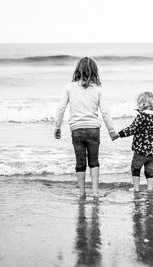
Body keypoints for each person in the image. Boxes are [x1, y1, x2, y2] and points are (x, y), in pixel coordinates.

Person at [54, 57, 118, 198]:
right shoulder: (98, 89)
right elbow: (105, 112)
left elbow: (61, 109)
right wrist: (112, 131)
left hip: (76, 130)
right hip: (93, 130)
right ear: (95, 71)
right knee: (94, 160)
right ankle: (95, 192)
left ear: (78, 70)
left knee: (80, 161)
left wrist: (57, 127)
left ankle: (81, 193)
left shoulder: (69, 88)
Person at [114, 92, 153, 192]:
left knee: (135, 168)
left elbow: (132, 129)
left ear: (142, 104)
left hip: (141, 150)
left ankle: (136, 189)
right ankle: (150, 189)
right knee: (150, 170)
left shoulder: (142, 117)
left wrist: (119, 134)